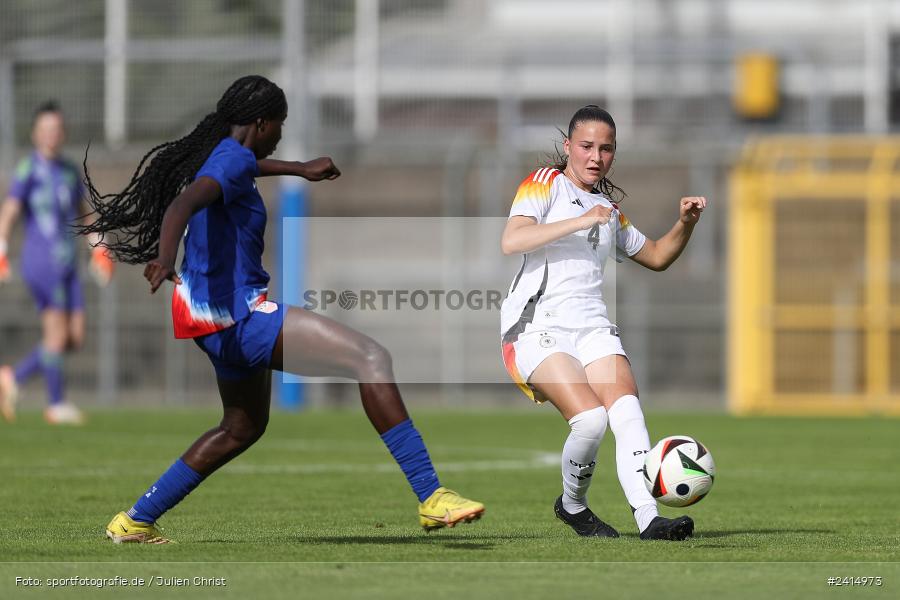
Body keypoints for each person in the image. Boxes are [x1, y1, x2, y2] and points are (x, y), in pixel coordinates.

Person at [78, 75, 484, 544]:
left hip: (207, 319)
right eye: (281, 125)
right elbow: (185, 203)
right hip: (240, 316)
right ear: (262, 122)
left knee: (240, 427)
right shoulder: (229, 160)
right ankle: (432, 497)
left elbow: (241, 168)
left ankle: (134, 520)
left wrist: (298, 168)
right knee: (370, 358)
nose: (281, 133)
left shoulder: (224, 155)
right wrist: (165, 255)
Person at [499, 105, 706, 541]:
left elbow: (656, 256)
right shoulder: (546, 183)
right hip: (538, 326)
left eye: (606, 148)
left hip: (592, 326)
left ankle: (649, 519)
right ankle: (573, 506)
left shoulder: (608, 209)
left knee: (627, 411)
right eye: (587, 146)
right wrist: (580, 220)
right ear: (567, 147)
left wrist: (684, 224)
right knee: (590, 422)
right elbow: (512, 239)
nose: (596, 156)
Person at [0, 101, 114, 425]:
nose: (52, 134)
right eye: (46, 129)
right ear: (36, 133)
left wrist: (99, 250)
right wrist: (2, 247)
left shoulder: (68, 171)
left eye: (57, 129)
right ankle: (56, 403)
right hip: (41, 262)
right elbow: (9, 210)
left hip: (68, 264)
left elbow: (84, 214)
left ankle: (13, 376)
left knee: (74, 337)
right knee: (55, 335)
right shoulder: (28, 170)